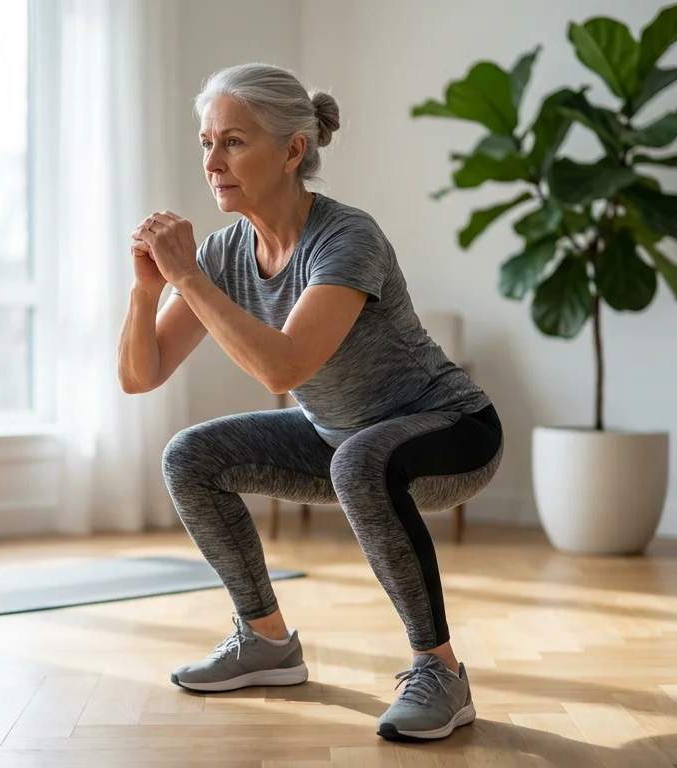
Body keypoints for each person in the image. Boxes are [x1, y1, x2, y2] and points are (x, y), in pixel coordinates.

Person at [118, 62, 504, 743]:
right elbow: (139, 377)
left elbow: (286, 364)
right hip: (339, 437)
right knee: (192, 457)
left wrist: (186, 276)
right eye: (206, 142)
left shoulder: (346, 238)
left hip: (453, 429)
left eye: (233, 142)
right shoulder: (225, 253)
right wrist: (149, 290)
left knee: (361, 460)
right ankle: (266, 642)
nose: (213, 161)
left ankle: (439, 671)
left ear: (293, 150)